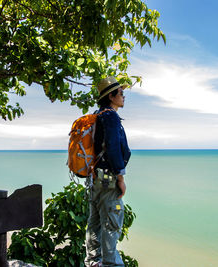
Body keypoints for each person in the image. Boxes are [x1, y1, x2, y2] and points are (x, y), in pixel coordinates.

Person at [85, 77, 131, 267]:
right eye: (120, 93)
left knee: (94, 224)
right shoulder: (110, 116)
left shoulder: (98, 115)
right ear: (111, 96)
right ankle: (111, 264)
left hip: (95, 180)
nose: (123, 96)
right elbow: (112, 148)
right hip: (108, 180)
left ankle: (93, 262)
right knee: (111, 226)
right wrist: (120, 177)